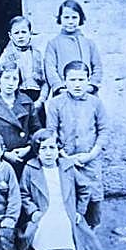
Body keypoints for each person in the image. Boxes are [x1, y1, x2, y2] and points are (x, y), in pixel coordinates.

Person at [20, 128, 102, 250]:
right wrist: (33, 211)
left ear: (58, 149)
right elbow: (24, 193)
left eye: (52, 148)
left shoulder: (66, 167)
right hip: (44, 212)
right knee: (47, 227)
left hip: (65, 211)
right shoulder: (31, 168)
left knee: (65, 227)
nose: (48, 153)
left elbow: (85, 188)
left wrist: (79, 211)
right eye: (43, 148)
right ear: (37, 152)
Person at [45, 61, 109, 230]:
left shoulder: (95, 103)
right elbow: (51, 132)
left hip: (90, 159)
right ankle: (71, 235)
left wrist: (91, 154)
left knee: (93, 196)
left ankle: (91, 234)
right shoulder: (56, 103)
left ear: (88, 81)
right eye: (72, 80)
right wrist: (63, 155)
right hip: (65, 159)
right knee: (69, 195)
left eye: (81, 79)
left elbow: (103, 131)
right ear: (64, 81)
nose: (77, 84)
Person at [0, 61, 41, 176]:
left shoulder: (26, 102)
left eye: (15, 79)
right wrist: (4, 153)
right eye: (6, 78)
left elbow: (36, 130)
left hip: (25, 157)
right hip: (0, 158)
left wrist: (28, 148)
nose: (10, 83)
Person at [44, 0, 103, 92]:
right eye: (66, 17)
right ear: (60, 18)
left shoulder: (89, 43)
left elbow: (97, 66)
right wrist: (59, 87)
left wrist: (91, 86)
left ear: (80, 18)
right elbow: (50, 69)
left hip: (86, 93)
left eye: (74, 17)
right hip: (64, 93)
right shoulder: (53, 44)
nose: (70, 21)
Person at [0, 15, 47, 102]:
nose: (20, 36)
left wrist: (41, 101)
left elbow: (45, 82)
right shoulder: (6, 55)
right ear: (10, 35)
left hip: (36, 96)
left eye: (24, 32)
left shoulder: (38, 54)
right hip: (16, 97)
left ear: (30, 33)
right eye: (16, 33)